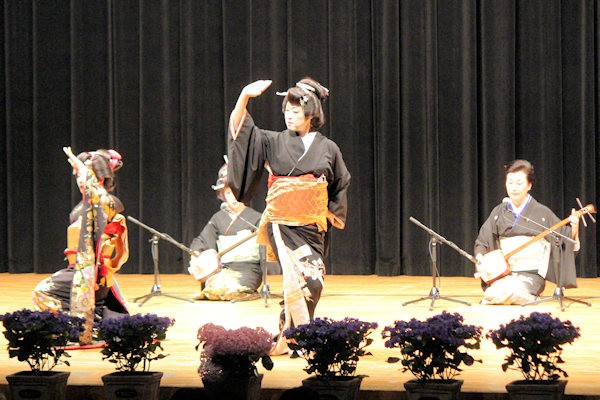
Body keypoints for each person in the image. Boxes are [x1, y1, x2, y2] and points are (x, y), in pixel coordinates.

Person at [226, 78, 351, 354]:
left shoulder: (328, 147)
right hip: (281, 223)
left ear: (311, 113)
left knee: (312, 281)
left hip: (311, 224)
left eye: (296, 110)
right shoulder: (272, 140)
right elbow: (239, 131)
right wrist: (244, 96)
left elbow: (341, 181)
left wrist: (332, 212)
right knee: (302, 278)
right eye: (287, 110)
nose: (289, 115)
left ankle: (288, 332)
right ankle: (300, 338)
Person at [33, 147, 129, 344]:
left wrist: (106, 268)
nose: (79, 179)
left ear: (99, 178)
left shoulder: (105, 205)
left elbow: (120, 252)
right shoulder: (90, 206)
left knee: (41, 291)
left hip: (90, 272)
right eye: (78, 175)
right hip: (86, 271)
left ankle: (68, 327)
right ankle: (89, 323)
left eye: (84, 174)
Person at [474, 159, 581, 305]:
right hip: (505, 273)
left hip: (531, 274)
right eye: (510, 182)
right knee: (494, 292)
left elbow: (563, 239)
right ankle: (513, 296)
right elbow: (483, 241)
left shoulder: (543, 213)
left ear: (529, 185)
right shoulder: (499, 212)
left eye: (519, 183)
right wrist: (481, 258)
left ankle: (521, 296)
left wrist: (574, 229)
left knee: (512, 292)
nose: (514, 187)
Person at [188, 162, 263, 301]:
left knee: (234, 290)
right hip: (224, 268)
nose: (233, 198)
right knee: (214, 290)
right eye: (228, 193)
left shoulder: (257, 218)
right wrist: (197, 251)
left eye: (237, 194)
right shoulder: (218, 218)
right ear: (223, 195)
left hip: (248, 268)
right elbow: (203, 239)